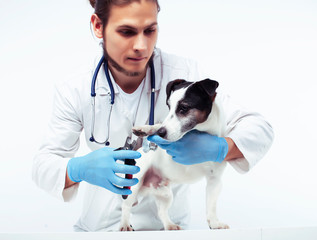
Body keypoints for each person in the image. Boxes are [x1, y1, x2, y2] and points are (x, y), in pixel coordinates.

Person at [32, 0, 274, 232]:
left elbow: (259, 128)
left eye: (150, 30)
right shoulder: (76, 88)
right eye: (127, 31)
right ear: (98, 26)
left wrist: (220, 149)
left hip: (168, 230)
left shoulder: (184, 74)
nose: (142, 45)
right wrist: (78, 168)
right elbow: (43, 166)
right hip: (100, 230)